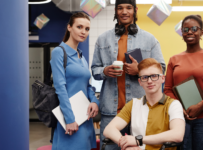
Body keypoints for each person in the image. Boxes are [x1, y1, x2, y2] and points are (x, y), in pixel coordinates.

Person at [91, 0, 165, 149]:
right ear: (116, 11)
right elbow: (95, 70)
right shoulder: (102, 39)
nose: (124, 11)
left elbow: (161, 69)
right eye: (120, 8)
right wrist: (104, 71)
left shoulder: (149, 39)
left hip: (139, 109)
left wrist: (140, 71)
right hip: (110, 112)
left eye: (128, 8)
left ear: (135, 10)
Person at [164, 15, 203, 150]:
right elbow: (167, 89)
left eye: (194, 28)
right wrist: (180, 110)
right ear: (182, 33)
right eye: (185, 29)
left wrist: (201, 106)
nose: (189, 32)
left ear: (201, 32)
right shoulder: (173, 59)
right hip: (181, 118)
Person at [103, 58, 185, 150]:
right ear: (140, 82)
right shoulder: (133, 104)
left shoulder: (173, 104)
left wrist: (139, 140)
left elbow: (178, 134)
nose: (149, 81)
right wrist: (128, 145)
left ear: (162, 78)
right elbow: (109, 129)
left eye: (154, 76)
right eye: (145, 77)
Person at [50, 12, 100, 150]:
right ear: (69, 27)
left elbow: (88, 85)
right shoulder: (59, 52)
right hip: (69, 118)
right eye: (79, 27)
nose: (83, 32)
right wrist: (70, 119)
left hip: (85, 117)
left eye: (87, 29)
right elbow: (60, 87)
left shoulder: (81, 57)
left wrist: (95, 101)